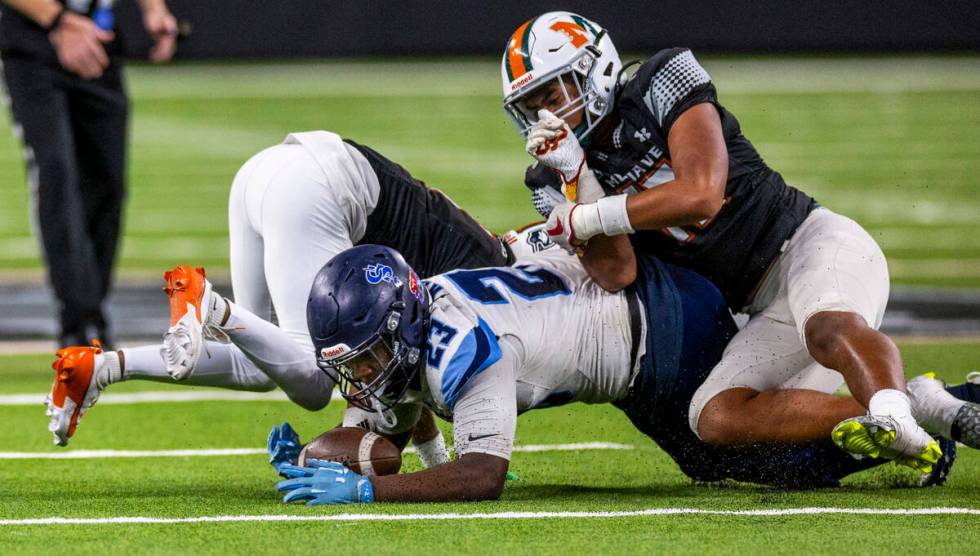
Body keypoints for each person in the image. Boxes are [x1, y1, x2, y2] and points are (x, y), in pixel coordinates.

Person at [498, 11, 971, 471]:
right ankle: (914, 408)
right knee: (716, 417)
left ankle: (892, 406)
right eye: (530, 105)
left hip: (809, 245)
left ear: (594, 69)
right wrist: (577, 175)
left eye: (553, 92)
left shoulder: (662, 78)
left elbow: (701, 193)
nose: (545, 113)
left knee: (825, 328)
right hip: (759, 307)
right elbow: (618, 271)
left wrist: (588, 216)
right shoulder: (549, 178)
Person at [267, 241, 977, 505]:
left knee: (735, 449)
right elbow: (400, 411)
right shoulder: (423, 320)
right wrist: (336, 448)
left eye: (365, 355)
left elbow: (481, 476)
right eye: (350, 363)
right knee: (726, 448)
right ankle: (888, 413)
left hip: (658, 329)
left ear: (403, 324)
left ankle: (920, 409)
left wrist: (370, 495)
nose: (360, 374)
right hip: (630, 321)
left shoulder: (463, 344)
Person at [44, 131, 516, 474]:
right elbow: (407, 371)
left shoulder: (468, 265)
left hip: (266, 173)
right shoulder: (477, 286)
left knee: (261, 363)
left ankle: (103, 366)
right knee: (314, 379)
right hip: (312, 186)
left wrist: (437, 459)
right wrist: (444, 462)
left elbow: (403, 377)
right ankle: (211, 305)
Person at [0, 0, 178, 347]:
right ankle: (79, 323)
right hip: (32, 43)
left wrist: (154, 9)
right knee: (56, 175)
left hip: (98, 38)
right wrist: (58, 22)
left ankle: (91, 311)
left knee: (108, 184)